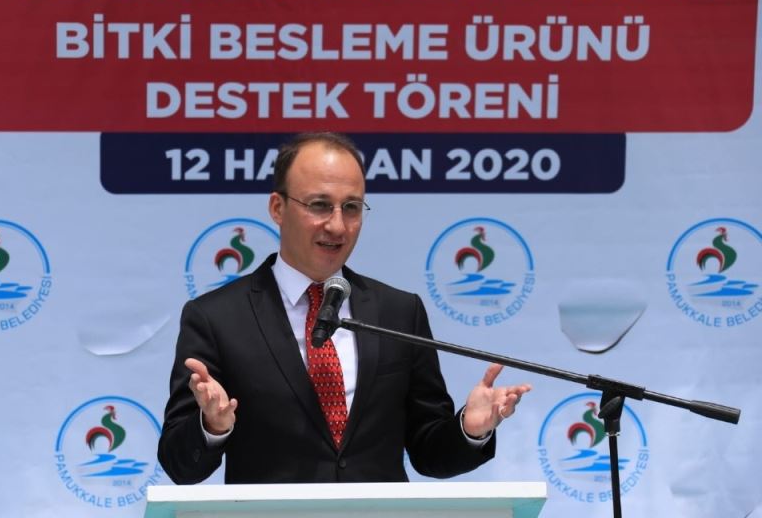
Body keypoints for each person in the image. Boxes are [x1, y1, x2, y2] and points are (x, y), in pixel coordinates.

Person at [158, 132, 531, 484]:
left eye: (351, 208)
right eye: (319, 205)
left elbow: (429, 451)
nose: (337, 225)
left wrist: (469, 429)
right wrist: (212, 427)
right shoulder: (217, 318)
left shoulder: (399, 312)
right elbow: (179, 464)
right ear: (277, 208)